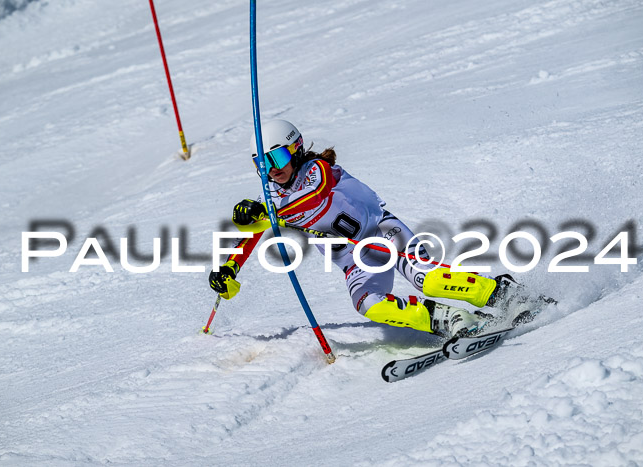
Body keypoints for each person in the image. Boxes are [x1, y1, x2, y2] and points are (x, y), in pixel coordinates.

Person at [208, 120, 514, 338]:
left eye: (277, 156)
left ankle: (501, 294)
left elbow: (313, 196)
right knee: (366, 303)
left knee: (429, 281)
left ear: (296, 149)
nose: (272, 169)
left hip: (384, 234)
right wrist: (229, 270)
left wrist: (267, 212)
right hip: (356, 260)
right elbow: (251, 234)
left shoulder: (317, 171)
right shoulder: (271, 198)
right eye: (261, 163)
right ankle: (448, 319)